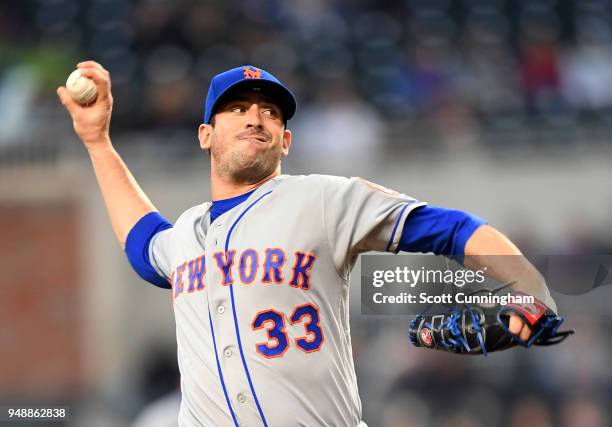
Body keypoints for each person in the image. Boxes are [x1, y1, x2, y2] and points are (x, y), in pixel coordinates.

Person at [57, 62, 557, 426]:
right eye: (238, 108)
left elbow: (451, 228)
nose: (255, 117)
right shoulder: (186, 233)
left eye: (270, 112)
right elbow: (144, 243)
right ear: (206, 135)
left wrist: (528, 283)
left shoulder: (322, 199)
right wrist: (97, 141)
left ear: (286, 140)